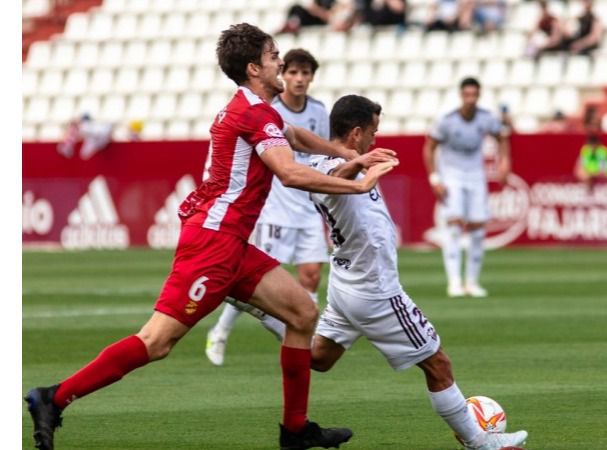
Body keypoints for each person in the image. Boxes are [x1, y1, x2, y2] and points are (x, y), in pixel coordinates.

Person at [24, 23, 398, 450]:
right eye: (275, 57)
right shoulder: (254, 114)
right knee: (157, 341)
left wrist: (346, 153)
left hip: (230, 241)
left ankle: (295, 430)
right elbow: (291, 173)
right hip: (213, 245)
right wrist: (358, 183)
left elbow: (294, 137)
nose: (282, 63)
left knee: (300, 312)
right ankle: (52, 398)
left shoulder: (257, 109)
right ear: (256, 68)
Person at [233, 94, 529, 450]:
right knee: (438, 365)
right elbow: (335, 178)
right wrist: (360, 165)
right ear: (356, 133)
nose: (376, 138)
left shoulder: (343, 162)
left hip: (347, 285)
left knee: (320, 358)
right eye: (373, 131)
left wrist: (360, 163)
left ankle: (264, 309)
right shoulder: (326, 169)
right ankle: (480, 442)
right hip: (376, 290)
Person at [205, 48, 330, 367]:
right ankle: (220, 331)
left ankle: (306, 336)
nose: (299, 79)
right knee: (256, 281)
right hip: (277, 205)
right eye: (293, 72)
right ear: (284, 75)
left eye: (305, 73)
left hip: (307, 205)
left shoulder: (319, 111)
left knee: (312, 275)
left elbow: (323, 153)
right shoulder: (267, 108)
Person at [423, 77, 510, 298]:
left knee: (478, 230)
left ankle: (472, 282)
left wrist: (504, 162)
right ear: (461, 95)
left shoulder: (485, 118)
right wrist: (435, 178)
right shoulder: (447, 120)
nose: (470, 99)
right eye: (467, 95)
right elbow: (430, 147)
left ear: (479, 95)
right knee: (453, 227)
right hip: (451, 175)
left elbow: (502, 137)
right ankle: (454, 282)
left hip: (475, 175)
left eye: (474, 95)